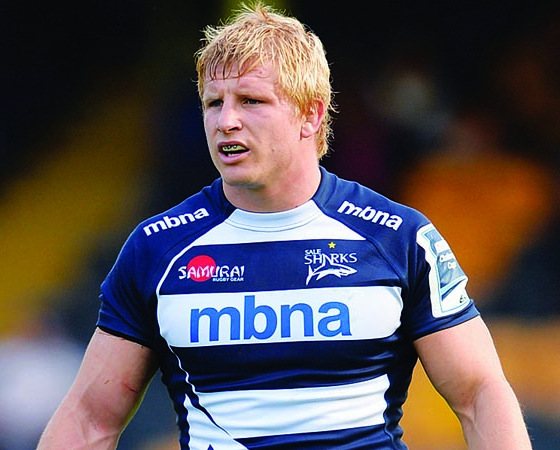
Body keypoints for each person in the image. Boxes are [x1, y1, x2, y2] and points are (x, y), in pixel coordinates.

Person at [37, 3, 532, 449]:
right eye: (213, 103)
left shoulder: (398, 238)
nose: (226, 121)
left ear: (310, 115)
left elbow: (479, 393)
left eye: (250, 101)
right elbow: (89, 420)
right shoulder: (155, 250)